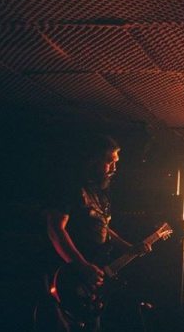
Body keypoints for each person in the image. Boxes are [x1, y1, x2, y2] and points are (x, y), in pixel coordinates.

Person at [35, 134, 151, 331]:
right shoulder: (70, 188)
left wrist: (128, 248)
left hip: (90, 280)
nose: (114, 168)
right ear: (92, 160)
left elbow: (103, 227)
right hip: (66, 278)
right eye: (109, 161)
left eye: (116, 162)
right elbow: (55, 229)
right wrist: (82, 266)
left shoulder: (99, 194)